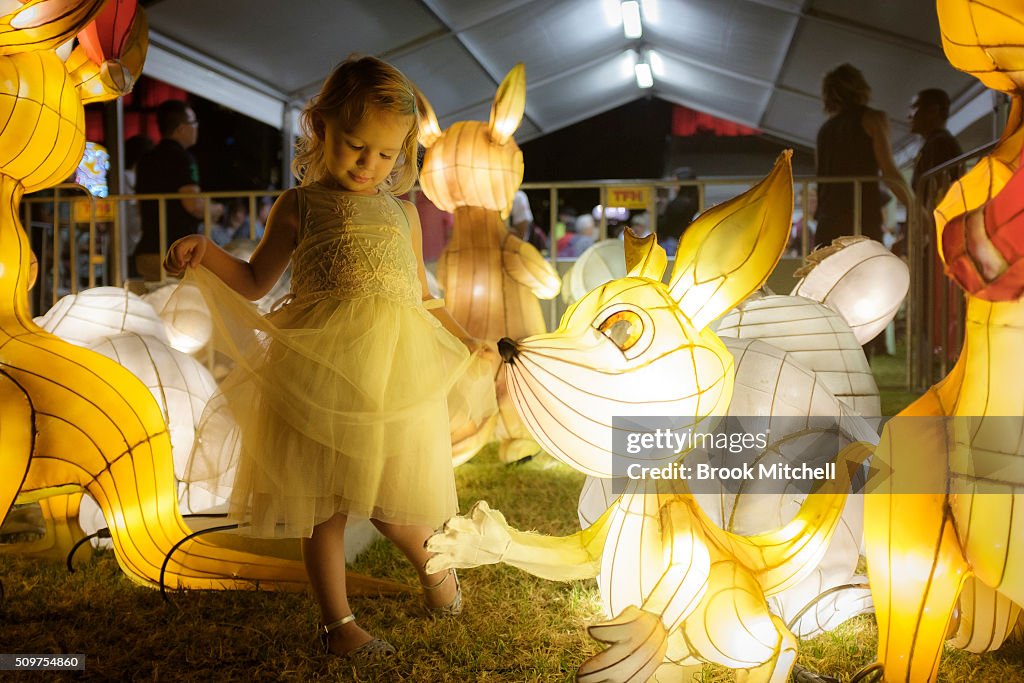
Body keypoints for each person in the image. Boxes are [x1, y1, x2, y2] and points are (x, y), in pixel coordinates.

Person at [163, 56, 498, 659]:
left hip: (390, 375)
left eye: (387, 154)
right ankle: (338, 624)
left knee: (395, 502)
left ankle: (436, 572)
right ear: (319, 128)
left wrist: (467, 338)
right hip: (319, 370)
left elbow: (419, 295)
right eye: (355, 145)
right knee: (324, 508)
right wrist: (206, 252)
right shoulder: (299, 206)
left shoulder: (402, 212)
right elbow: (255, 281)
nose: (370, 164)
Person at [814, 64, 912, 248]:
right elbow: (889, 171)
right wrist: (915, 207)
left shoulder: (824, 130)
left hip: (827, 221)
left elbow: (822, 180)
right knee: (868, 274)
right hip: (861, 218)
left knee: (830, 275)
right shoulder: (873, 118)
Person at [133, 99, 224, 280]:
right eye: (194, 123)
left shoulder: (146, 159)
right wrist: (217, 209)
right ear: (182, 128)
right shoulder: (183, 159)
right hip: (177, 254)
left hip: (146, 251)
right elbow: (194, 205)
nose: (197, 128)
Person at [909, 88, 963, 206]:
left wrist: (928, 221)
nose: (909, 116)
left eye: (914, 108)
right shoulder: (938, 142)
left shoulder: (940, 143)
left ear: (933, 111)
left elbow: (938, 190)